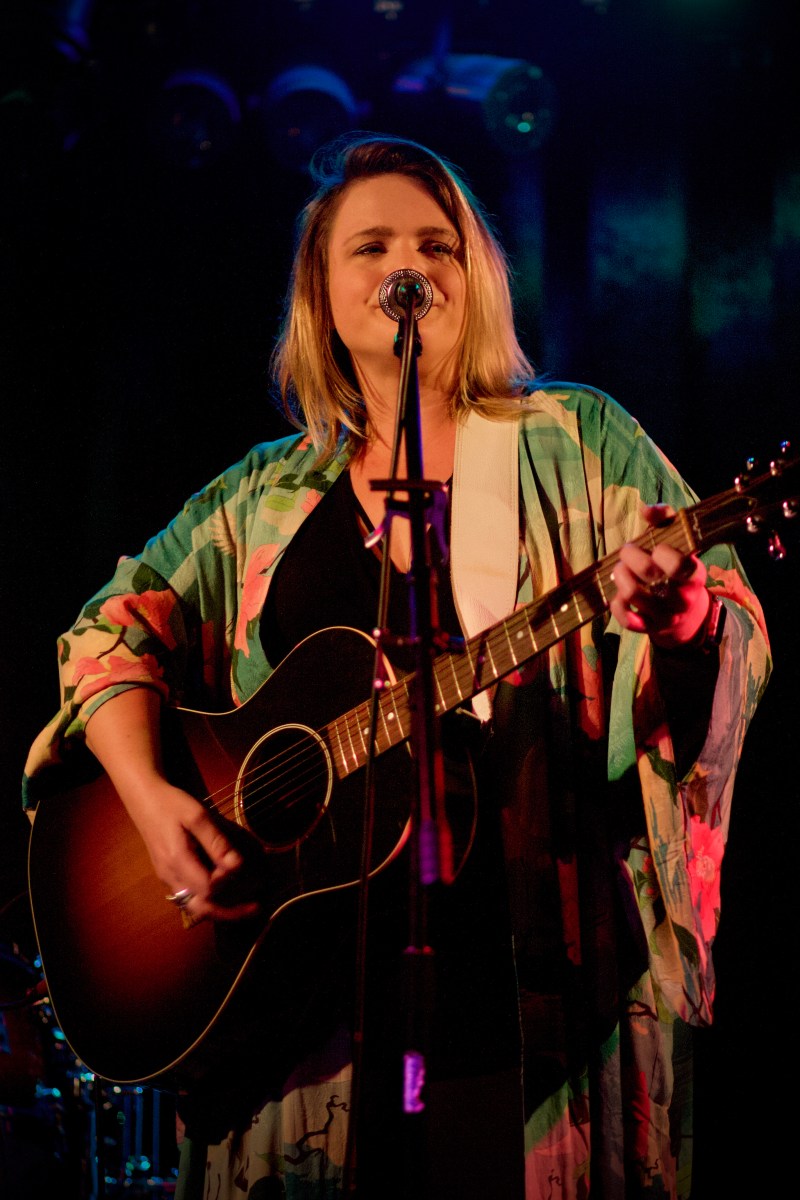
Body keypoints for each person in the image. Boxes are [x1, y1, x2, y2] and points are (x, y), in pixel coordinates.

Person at [22, 132, 770, 1200]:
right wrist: (150, 799)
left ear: (474, 281)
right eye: (369, 247)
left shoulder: (577, 441)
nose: (405, 265)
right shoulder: (263, 498)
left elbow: (723, 630)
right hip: (296, 1043)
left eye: (435, 244)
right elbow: (107, 630)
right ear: (321, 298)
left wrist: (683, 620)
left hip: (529, 1021)